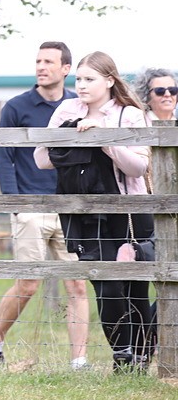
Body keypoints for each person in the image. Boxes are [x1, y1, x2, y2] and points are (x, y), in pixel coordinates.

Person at [35, 50, 156, 372]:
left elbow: (138, 167)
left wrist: (106, 140)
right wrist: (71, 132)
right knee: (105, 283)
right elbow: (42, 159)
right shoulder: (67, 109)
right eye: (79, 79)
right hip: (84, 212)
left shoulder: (128, 114)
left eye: (90, 79)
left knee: (133, 285)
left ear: (109, 80)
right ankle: (122, 355)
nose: (82, 85)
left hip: (128, 211)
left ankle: (142, 354)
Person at [0, 42, 90, 370]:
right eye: (38, 61)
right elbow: (5, 158)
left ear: (65, 69)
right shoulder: (16, 107)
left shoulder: (78, 105)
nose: (41, 67)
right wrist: (16, 204)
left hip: (68, 207)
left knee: (77, 284)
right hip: (30, 206)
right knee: (28, 283)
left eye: (49, 62)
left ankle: (78, 362)